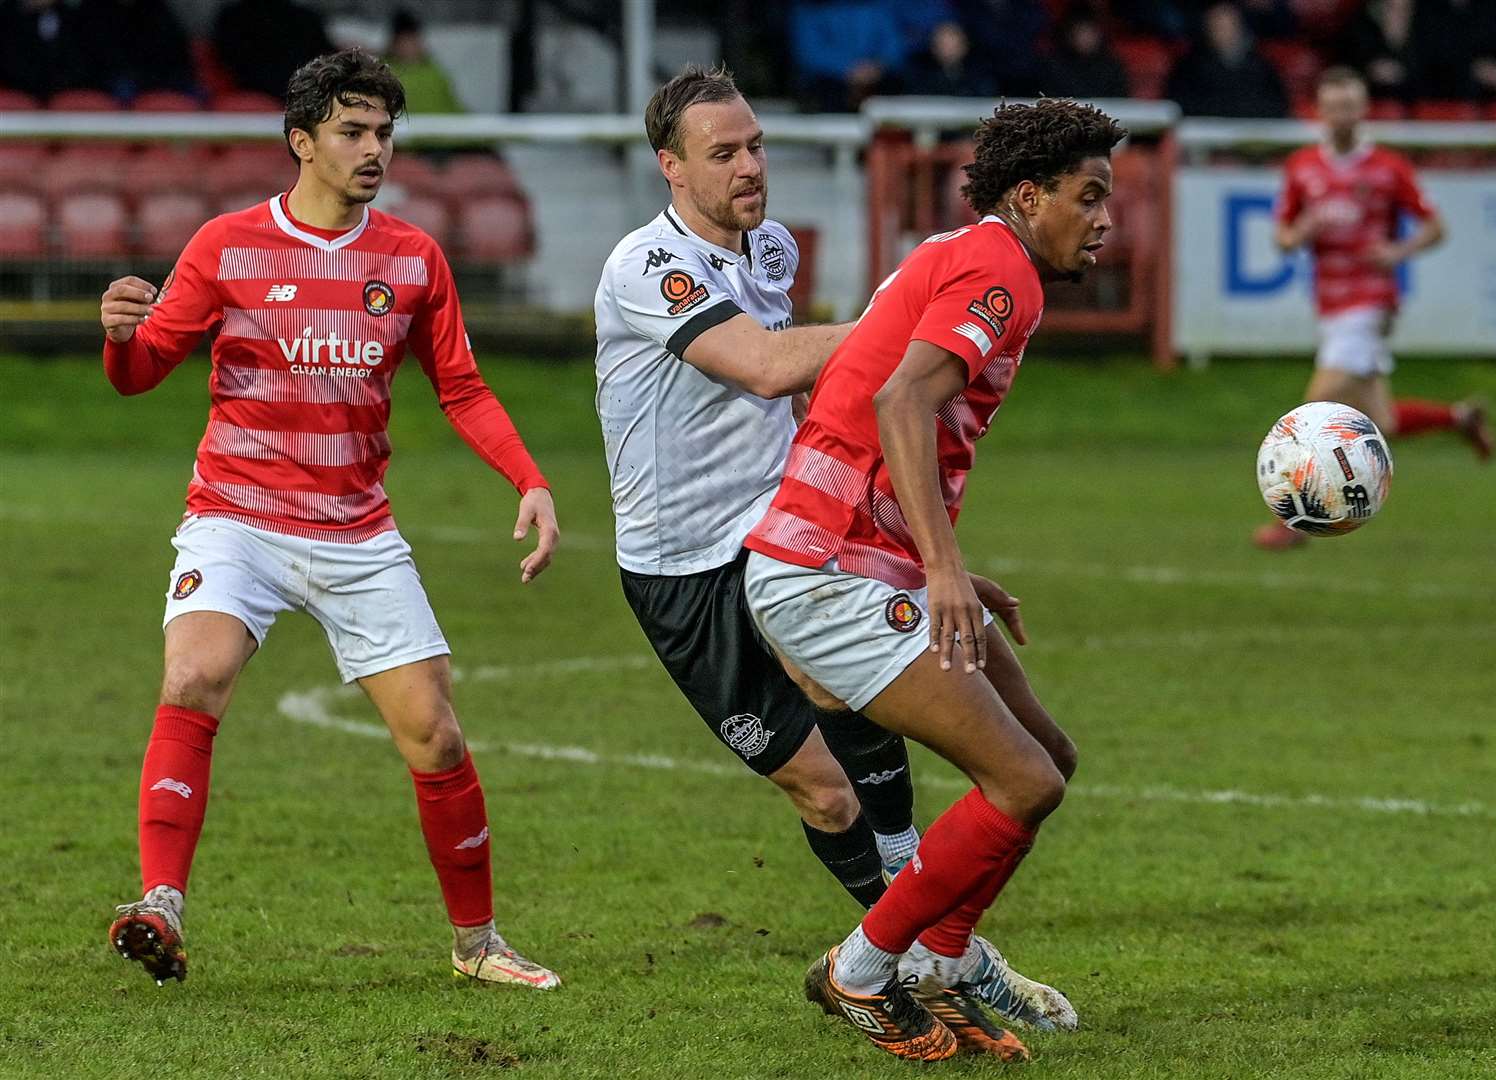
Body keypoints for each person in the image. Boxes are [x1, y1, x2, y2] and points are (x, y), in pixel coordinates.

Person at [592, 65, 1075, 1037]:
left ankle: (922, 961)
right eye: (722, 153)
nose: (749, 166)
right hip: (684, 567)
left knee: (890, 770)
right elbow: (769, 369)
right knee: (823, 791)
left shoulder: (768, 250)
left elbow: (842, 406)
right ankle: (919, 961)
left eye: (756, 144)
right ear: (671, 169)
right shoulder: (645, 268)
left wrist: (898, 539)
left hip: (801, 538)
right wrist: (927, 326)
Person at [100, 48, 562, 990]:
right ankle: (160, 903)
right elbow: (143, 371)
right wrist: (117, 339)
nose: (373, 150)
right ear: (301, 140)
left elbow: (462, 387)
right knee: (195, 675)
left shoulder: (412, 257)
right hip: (235, 516)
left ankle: (478, 945)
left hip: (356, 532)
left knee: (434, 734)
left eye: (385, 133)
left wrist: (531, 479)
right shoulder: (225, 246)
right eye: (353, 132)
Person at [742, 98, 1125, 1061]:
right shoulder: (1003, 272)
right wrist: (942, 571)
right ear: (1030, 196)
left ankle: (942, 959)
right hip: (824, 573)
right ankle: (863, 970)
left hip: (854, 558)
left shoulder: (966, 254)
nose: (1105, 218)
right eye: (1089, 197)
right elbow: (901, 399)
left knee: (1049, 758)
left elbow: (866, 401)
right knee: (1023, 782)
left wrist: (948, 566)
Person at [1255, 67, 1494, 551]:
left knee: (1312, 416)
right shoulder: (1302, 167)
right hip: (1330, 302)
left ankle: (1291, 522)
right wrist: (1303, 232)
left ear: (1363, 111)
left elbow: (1435, 227)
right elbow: (1282, 238)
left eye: (1351, 106)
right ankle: (1460, 418)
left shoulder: (1388, 168)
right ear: (1319, 112)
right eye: (1333, 106)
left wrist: (1396, 253)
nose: (1342, 116)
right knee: (1380, 421)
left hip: (1369, 304)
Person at [1166, 1, 1289, 118]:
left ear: (1239, 27)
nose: (1223, 31)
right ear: (1207, 29)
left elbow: (1278, 105)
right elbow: (1179, 107)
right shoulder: (1189, 67)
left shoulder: (1260, 66)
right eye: (1217, 26)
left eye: (1229, 25)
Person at [213, 0, 334, 100]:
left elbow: (325, 58)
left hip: (299, 90)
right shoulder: (232, 18)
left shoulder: (306, 19)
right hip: (247, 91)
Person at [385, 8, 464, 114]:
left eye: (413, 39)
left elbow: (456, 109)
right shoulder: (383, 73)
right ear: (394, 42)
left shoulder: (435, 73)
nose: (409, 46)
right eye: (404, 40)